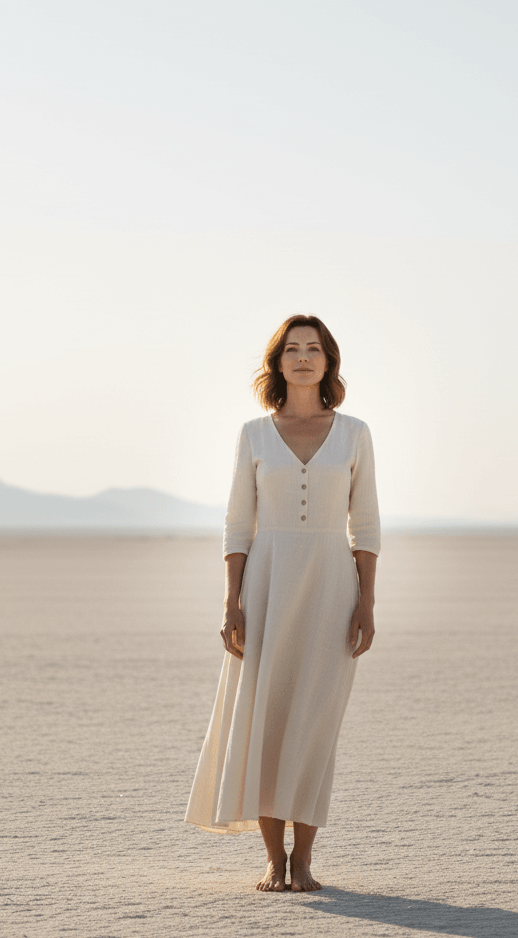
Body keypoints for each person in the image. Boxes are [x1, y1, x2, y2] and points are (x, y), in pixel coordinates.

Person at [185, 314, 380, 893]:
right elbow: (237, 523)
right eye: (291, 349)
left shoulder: (354, 433)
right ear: (278, 363)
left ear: (328, 361)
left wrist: (366, 602)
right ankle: (275, 860)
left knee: (315, 724)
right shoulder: (253, 434)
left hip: (330, 586)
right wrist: (231, 601)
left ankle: (306, 859)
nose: (302, 357)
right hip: (265, 585)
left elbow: (364, 522)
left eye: (313, 349)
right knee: (265, 720)